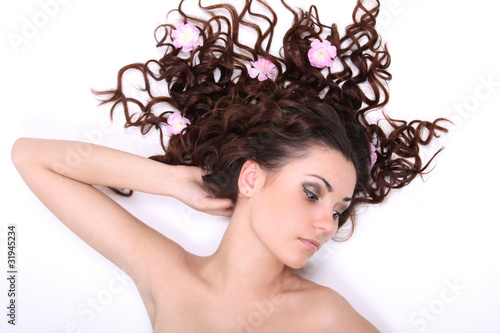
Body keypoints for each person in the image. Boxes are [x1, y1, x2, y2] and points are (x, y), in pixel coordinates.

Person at [11, 0, 448, 331]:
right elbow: (31, 158)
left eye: (338, 209)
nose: (328, 224)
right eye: (312, 193)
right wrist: (170, 181)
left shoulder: (323, 316)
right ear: (252, 177)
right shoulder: (166, 275)